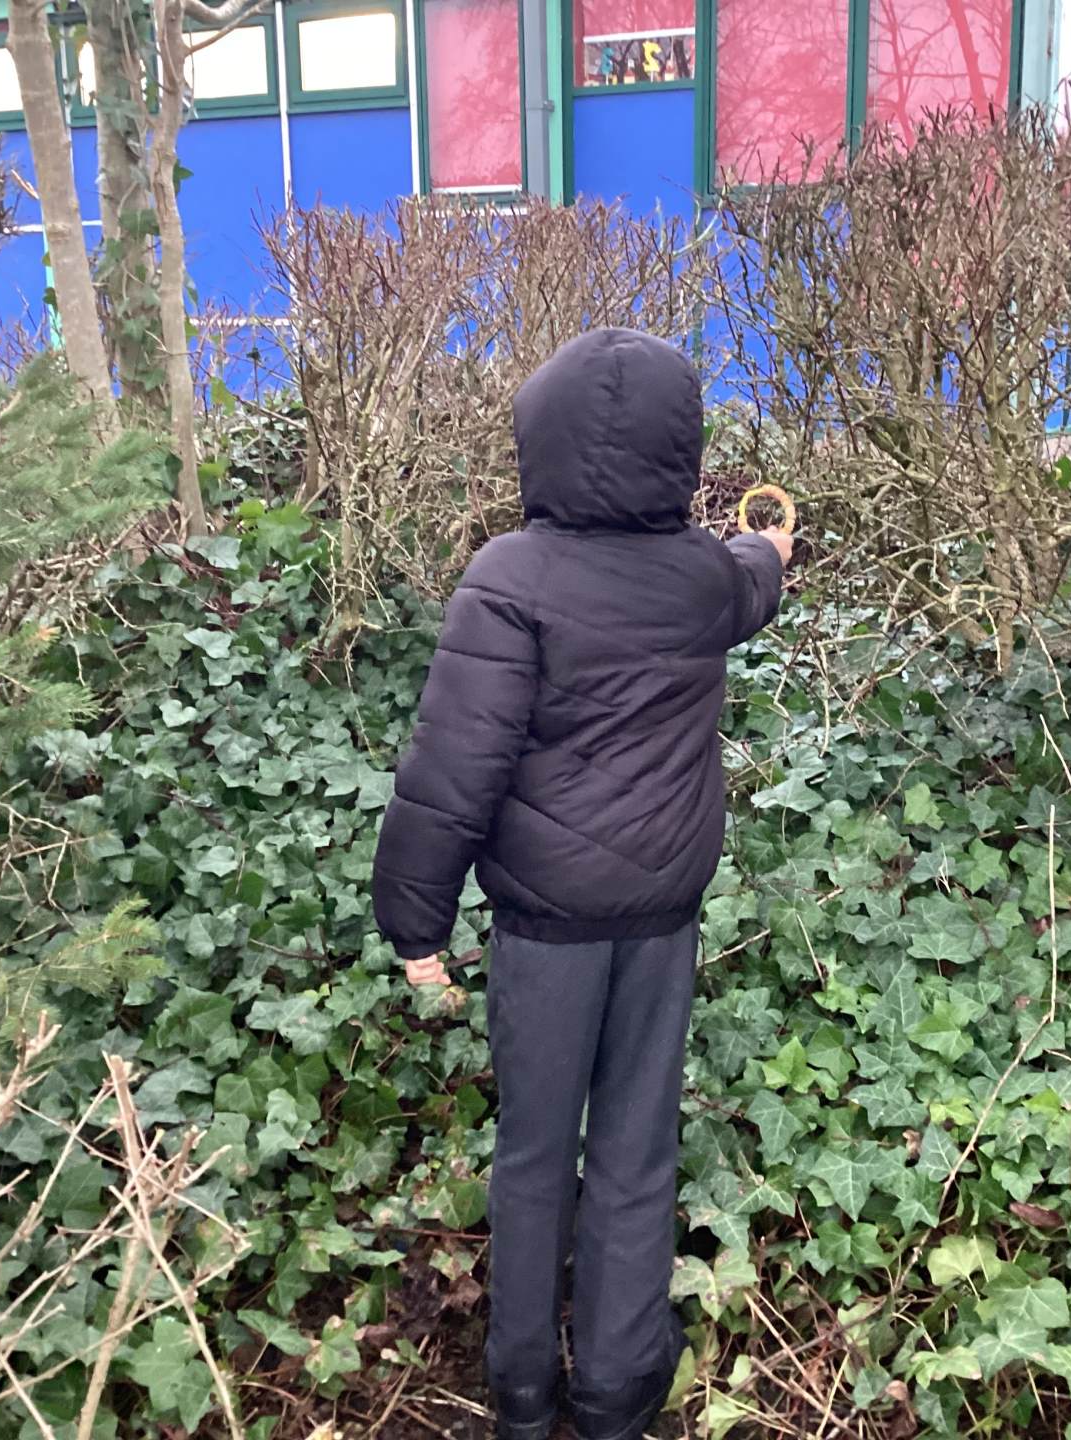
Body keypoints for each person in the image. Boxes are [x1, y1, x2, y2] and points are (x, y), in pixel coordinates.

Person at [372, 327, 793, 1440]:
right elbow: (751, 580)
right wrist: (772, 546)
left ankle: (522, 1397)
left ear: (541, 441)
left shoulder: (509, 579)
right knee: (635, 1158)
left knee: (532, 1158)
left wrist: (415, 921)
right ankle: (615, 1398)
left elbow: (452, 769)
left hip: (544, 929)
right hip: (660, 921)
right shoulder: (703, 577)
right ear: (680, 453)